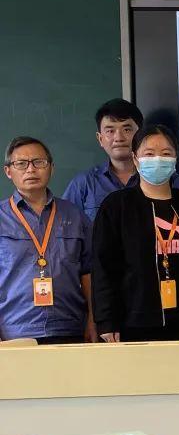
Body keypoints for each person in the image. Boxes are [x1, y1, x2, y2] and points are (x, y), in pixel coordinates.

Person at [92, 125, 179, 341]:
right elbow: (103, 268)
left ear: (175, 159)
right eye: (149, 154)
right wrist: (106, 320)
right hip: (135, 321)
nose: (158, 159)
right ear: (135, 159)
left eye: (166, 153)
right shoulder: (117, 206)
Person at [1, 137, 93, 343]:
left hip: (70, 328)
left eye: (39, 162)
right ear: (8, 171)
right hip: (14, 331)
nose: (31, 169)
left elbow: (88, 271)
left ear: (51, 167)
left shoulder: (74, 214)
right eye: (21, 163)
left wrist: (93, 319)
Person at [63, 98, 143, 221]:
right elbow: (64, 225)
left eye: (127, 130)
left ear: (141, 134)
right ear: (100, 139)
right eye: (110, 131)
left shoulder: (160, 178)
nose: (119, 138)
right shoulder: (84, 184)